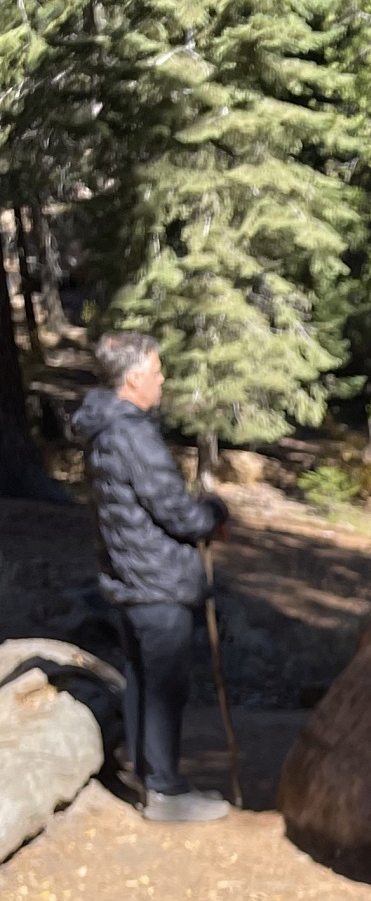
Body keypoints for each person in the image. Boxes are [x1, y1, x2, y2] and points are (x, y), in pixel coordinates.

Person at [73, 332, 231, 823]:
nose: (162, 379)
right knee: (163, 686)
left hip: (131, 577)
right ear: (135, 377)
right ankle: (164, 791)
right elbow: (175, 513)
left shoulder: (106, 429)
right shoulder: (129, 434)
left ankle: (149, 777)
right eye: (157, 371)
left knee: (143, 679)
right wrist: (212, 512)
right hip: (155, 580)